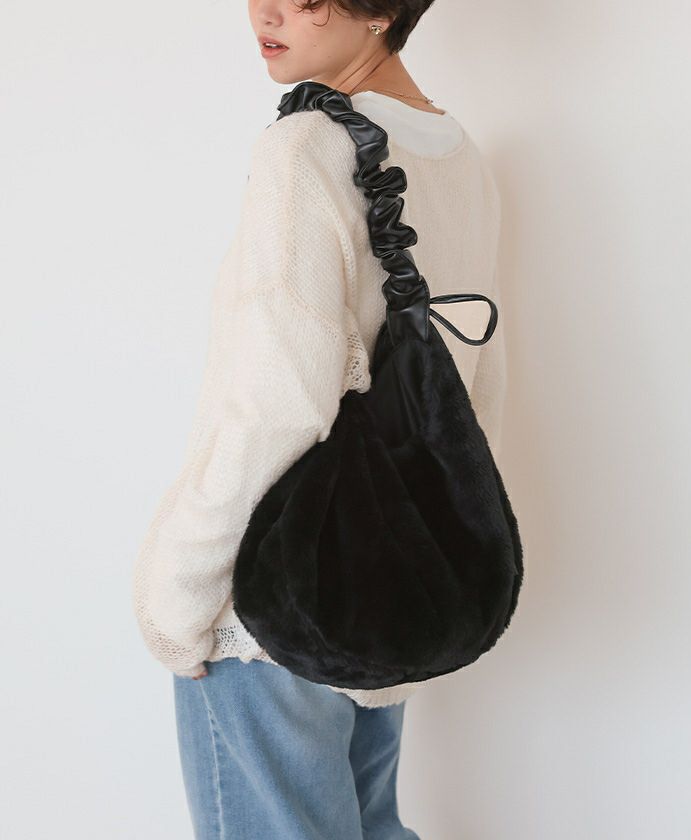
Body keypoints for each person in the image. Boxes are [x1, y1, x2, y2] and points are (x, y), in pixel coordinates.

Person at [132, 0, 507, 836]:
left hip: (274, 596)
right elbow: (476, 381)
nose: (265, 12)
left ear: (380, 11)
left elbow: (279, 400)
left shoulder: (305, 147)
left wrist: (180, 593)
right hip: (389, 580)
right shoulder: (457, 154)